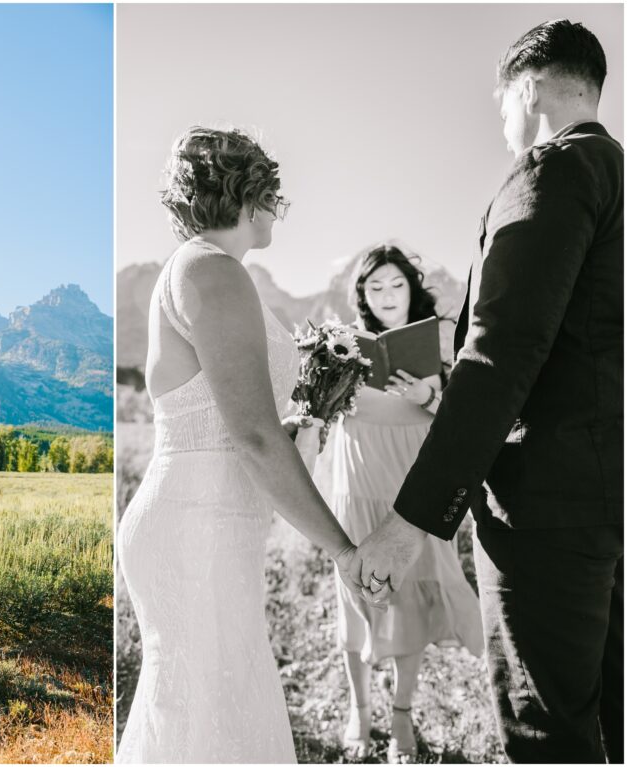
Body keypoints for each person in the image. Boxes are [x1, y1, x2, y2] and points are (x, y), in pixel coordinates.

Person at [350, 20, 622, 763]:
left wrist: (410, 521)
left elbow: (501, 353)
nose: (501, 123)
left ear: (528, 89)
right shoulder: (619, 175)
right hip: (612, 495)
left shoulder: (551, 173)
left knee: (549, 731)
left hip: (548, 514)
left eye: (500, 103)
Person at [115, 126, 365, 763]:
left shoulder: (208, 270)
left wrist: (312, 412)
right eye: (273, 195)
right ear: (252, 195)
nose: (277, 209)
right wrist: (342, 548)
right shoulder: (211, 270)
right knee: (209, 723)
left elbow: (248, 429)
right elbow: (251, 438)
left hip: (212, 524)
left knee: (214, 717)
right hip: (197, 529)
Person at [318, 244, 483, 762]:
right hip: (354, 484)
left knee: (408, 599)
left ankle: (401, 715)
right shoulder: (345, 345)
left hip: (411, 488)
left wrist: (426, 398)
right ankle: (359, 712)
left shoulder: (439, 341)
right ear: (362, 294)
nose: (387, 295)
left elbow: (461, 421)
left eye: (396, 284)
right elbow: (317, 417)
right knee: (357, 601)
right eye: (375, 287)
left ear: (412, 287)